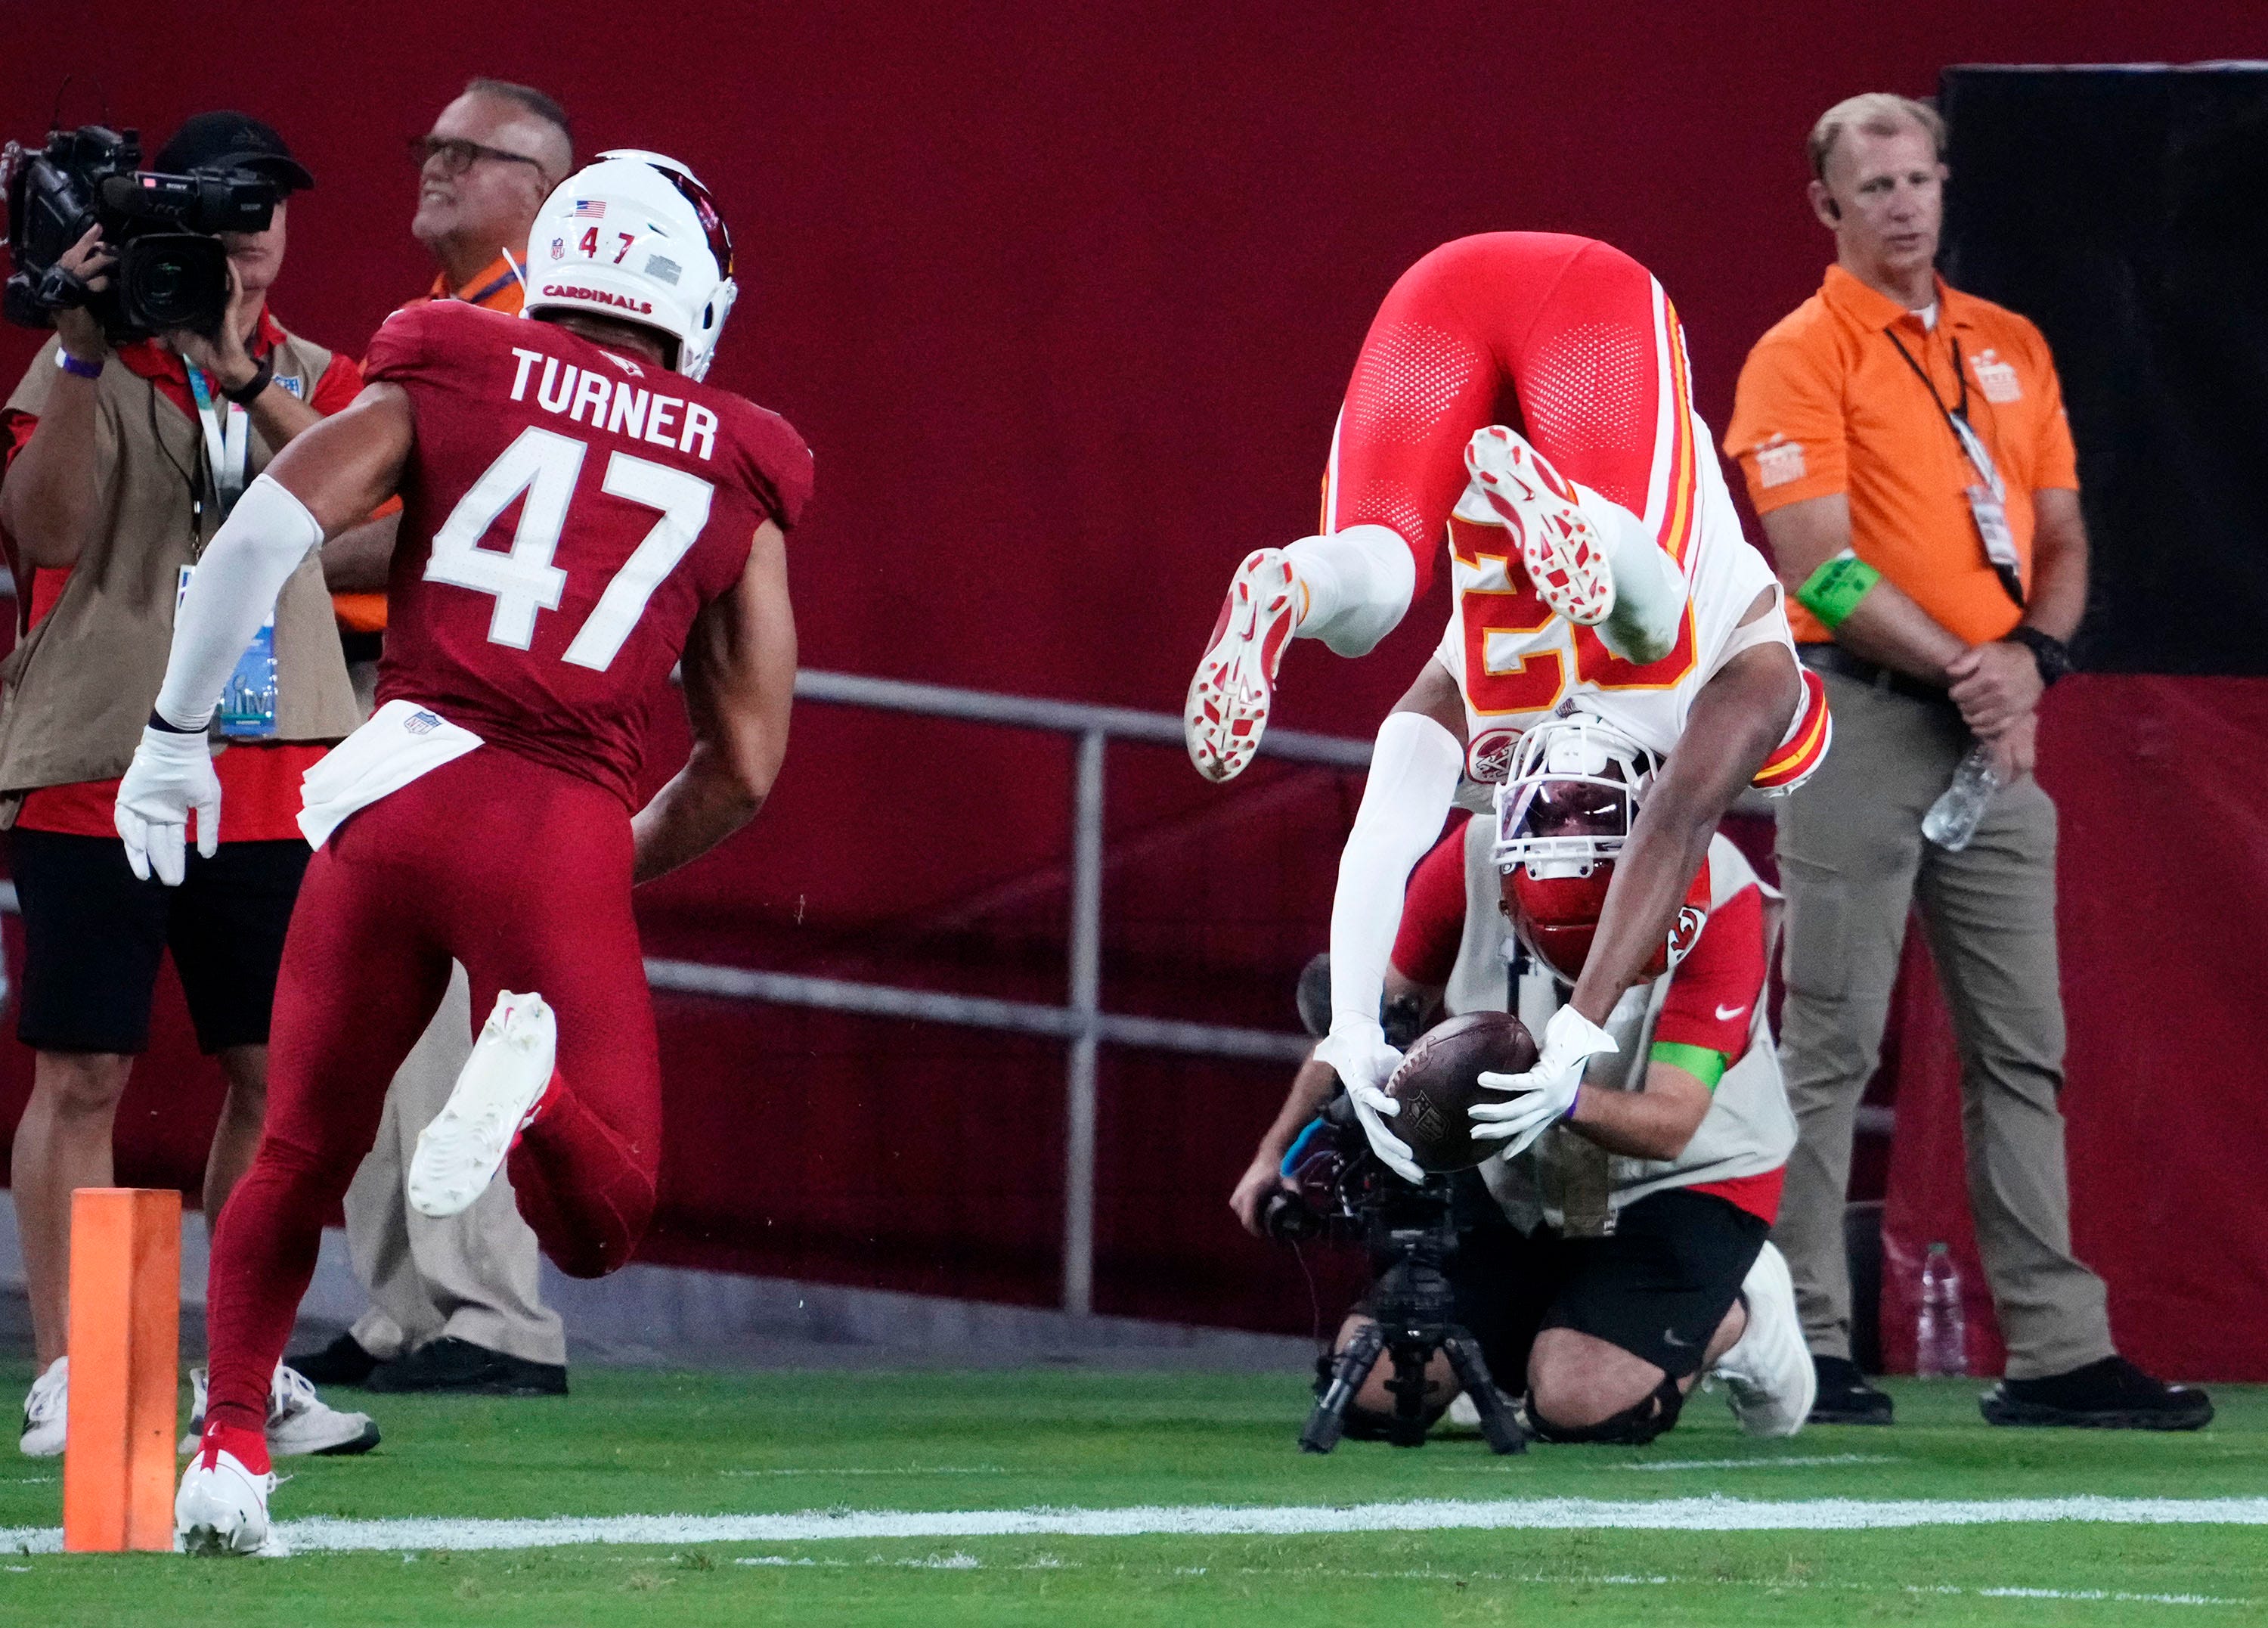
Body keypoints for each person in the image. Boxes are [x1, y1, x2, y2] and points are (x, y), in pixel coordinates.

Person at [123, 147, 810, 1555]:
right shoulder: (736, 448)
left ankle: (231, 1450)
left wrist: (173, 732)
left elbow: (265, 531)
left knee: (298, 1149)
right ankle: (533, 1098)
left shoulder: (453, 357)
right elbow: (743, 763)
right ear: (694, 293)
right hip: (556, 814)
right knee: (602, 1219)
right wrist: (593, 874)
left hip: (392, 789)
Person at [1723, 92, 2209, 1430]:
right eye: (1873, 185)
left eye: (1921, 178)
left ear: (1947, 187)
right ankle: (1801, 1340)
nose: (1903, 204)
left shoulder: (2008, 343)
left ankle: (2054, 1347)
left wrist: (2033, 664)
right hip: (1863, 712)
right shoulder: (1798, 355)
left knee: (2024, 1047)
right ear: (1827, 206)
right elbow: (1814, 556)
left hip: (1997, 728)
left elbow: (2059, 529)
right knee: (1828, 1037)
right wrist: (1969, 664)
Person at [0, 111, 377, 1459]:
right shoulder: (84, 359)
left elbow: (379, 532)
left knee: (279, 1073)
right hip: (103, 748)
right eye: (223, 199)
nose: (250, 221)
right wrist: (90, 344)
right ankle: (75, 1372)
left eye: (270, 197)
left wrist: (243, 372)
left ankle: (246, 1372)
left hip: (278, 764)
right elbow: (38, 530)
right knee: (87, 1064)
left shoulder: (328, 381)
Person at [1234, 721, 1812, 1445]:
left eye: (1592, 811)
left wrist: (1558, 1094)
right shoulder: (1473, 854)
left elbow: (1672, 1124)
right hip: (1519, 1170)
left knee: (1579, 1405)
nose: (1565, 831)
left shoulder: (1716, 892)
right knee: (1378, 1395)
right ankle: (1539, 1337)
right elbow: (1374, 1018)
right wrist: (1277, 1151)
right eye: (1547, 811)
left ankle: (1741, 1309)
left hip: (1682, 1180)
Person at [290, 77, 578, 1402]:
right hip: (379, 682)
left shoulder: (545, 336)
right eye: (434, 143)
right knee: (375, 1004)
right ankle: (405, 1303)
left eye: (476, 152)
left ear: (548, 192)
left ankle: (497, 1314)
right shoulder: (441, 328)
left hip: (464, 700)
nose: (439, 164)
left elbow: (418, 529)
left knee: (458, 1013)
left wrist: (266, 532)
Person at [1183, 232, 1712, 783]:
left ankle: (1299, 580)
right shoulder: (1743, 629)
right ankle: (1580, 512)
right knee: (1653, 626)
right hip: (1588, 286)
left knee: (1380, 552)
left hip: (1438, 288)